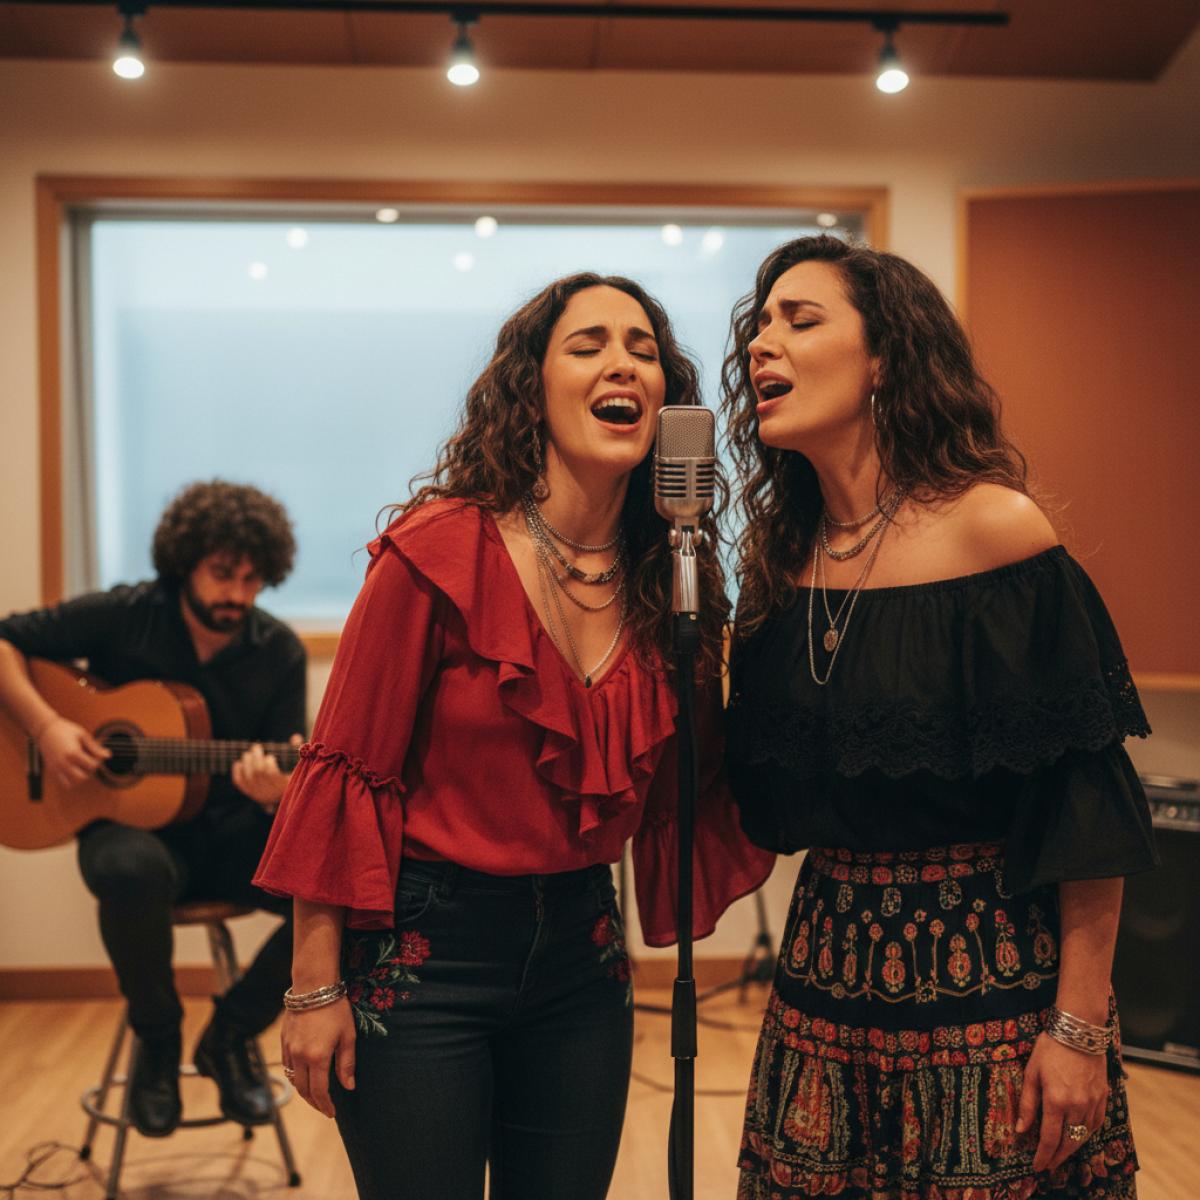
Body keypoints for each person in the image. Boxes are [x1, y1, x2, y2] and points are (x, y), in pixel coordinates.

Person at [253, 272, 775, 1200]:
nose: (623, 362)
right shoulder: (438, 552)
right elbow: (343, 773)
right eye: (589, 345)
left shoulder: (675, 584)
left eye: (644, 348)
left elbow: (699, 783)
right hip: (423, 955)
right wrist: (312, 986)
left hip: (583, 953)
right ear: (529, 387)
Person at [720, 236, 1159, 1200]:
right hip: (823, 977)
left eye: (801, 320)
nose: (762, 344)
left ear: (884, 359)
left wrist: (1079, 1030)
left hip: (992, 981)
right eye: (759, 325)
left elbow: (1084, 807)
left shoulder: (991, 528)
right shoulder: (781, 562)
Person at [0, 480, 306, 1138]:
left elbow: (291, 765)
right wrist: (49, 727)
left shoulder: (276, 650)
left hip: (230, 835)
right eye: (223, 574)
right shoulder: (128, 612)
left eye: (253, 580)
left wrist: (278, 791)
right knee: (127, 870)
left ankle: (229, 1038)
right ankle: (158, 1043)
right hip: (130, 834)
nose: (237, 595)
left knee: (345, 895)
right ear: (185, 560)